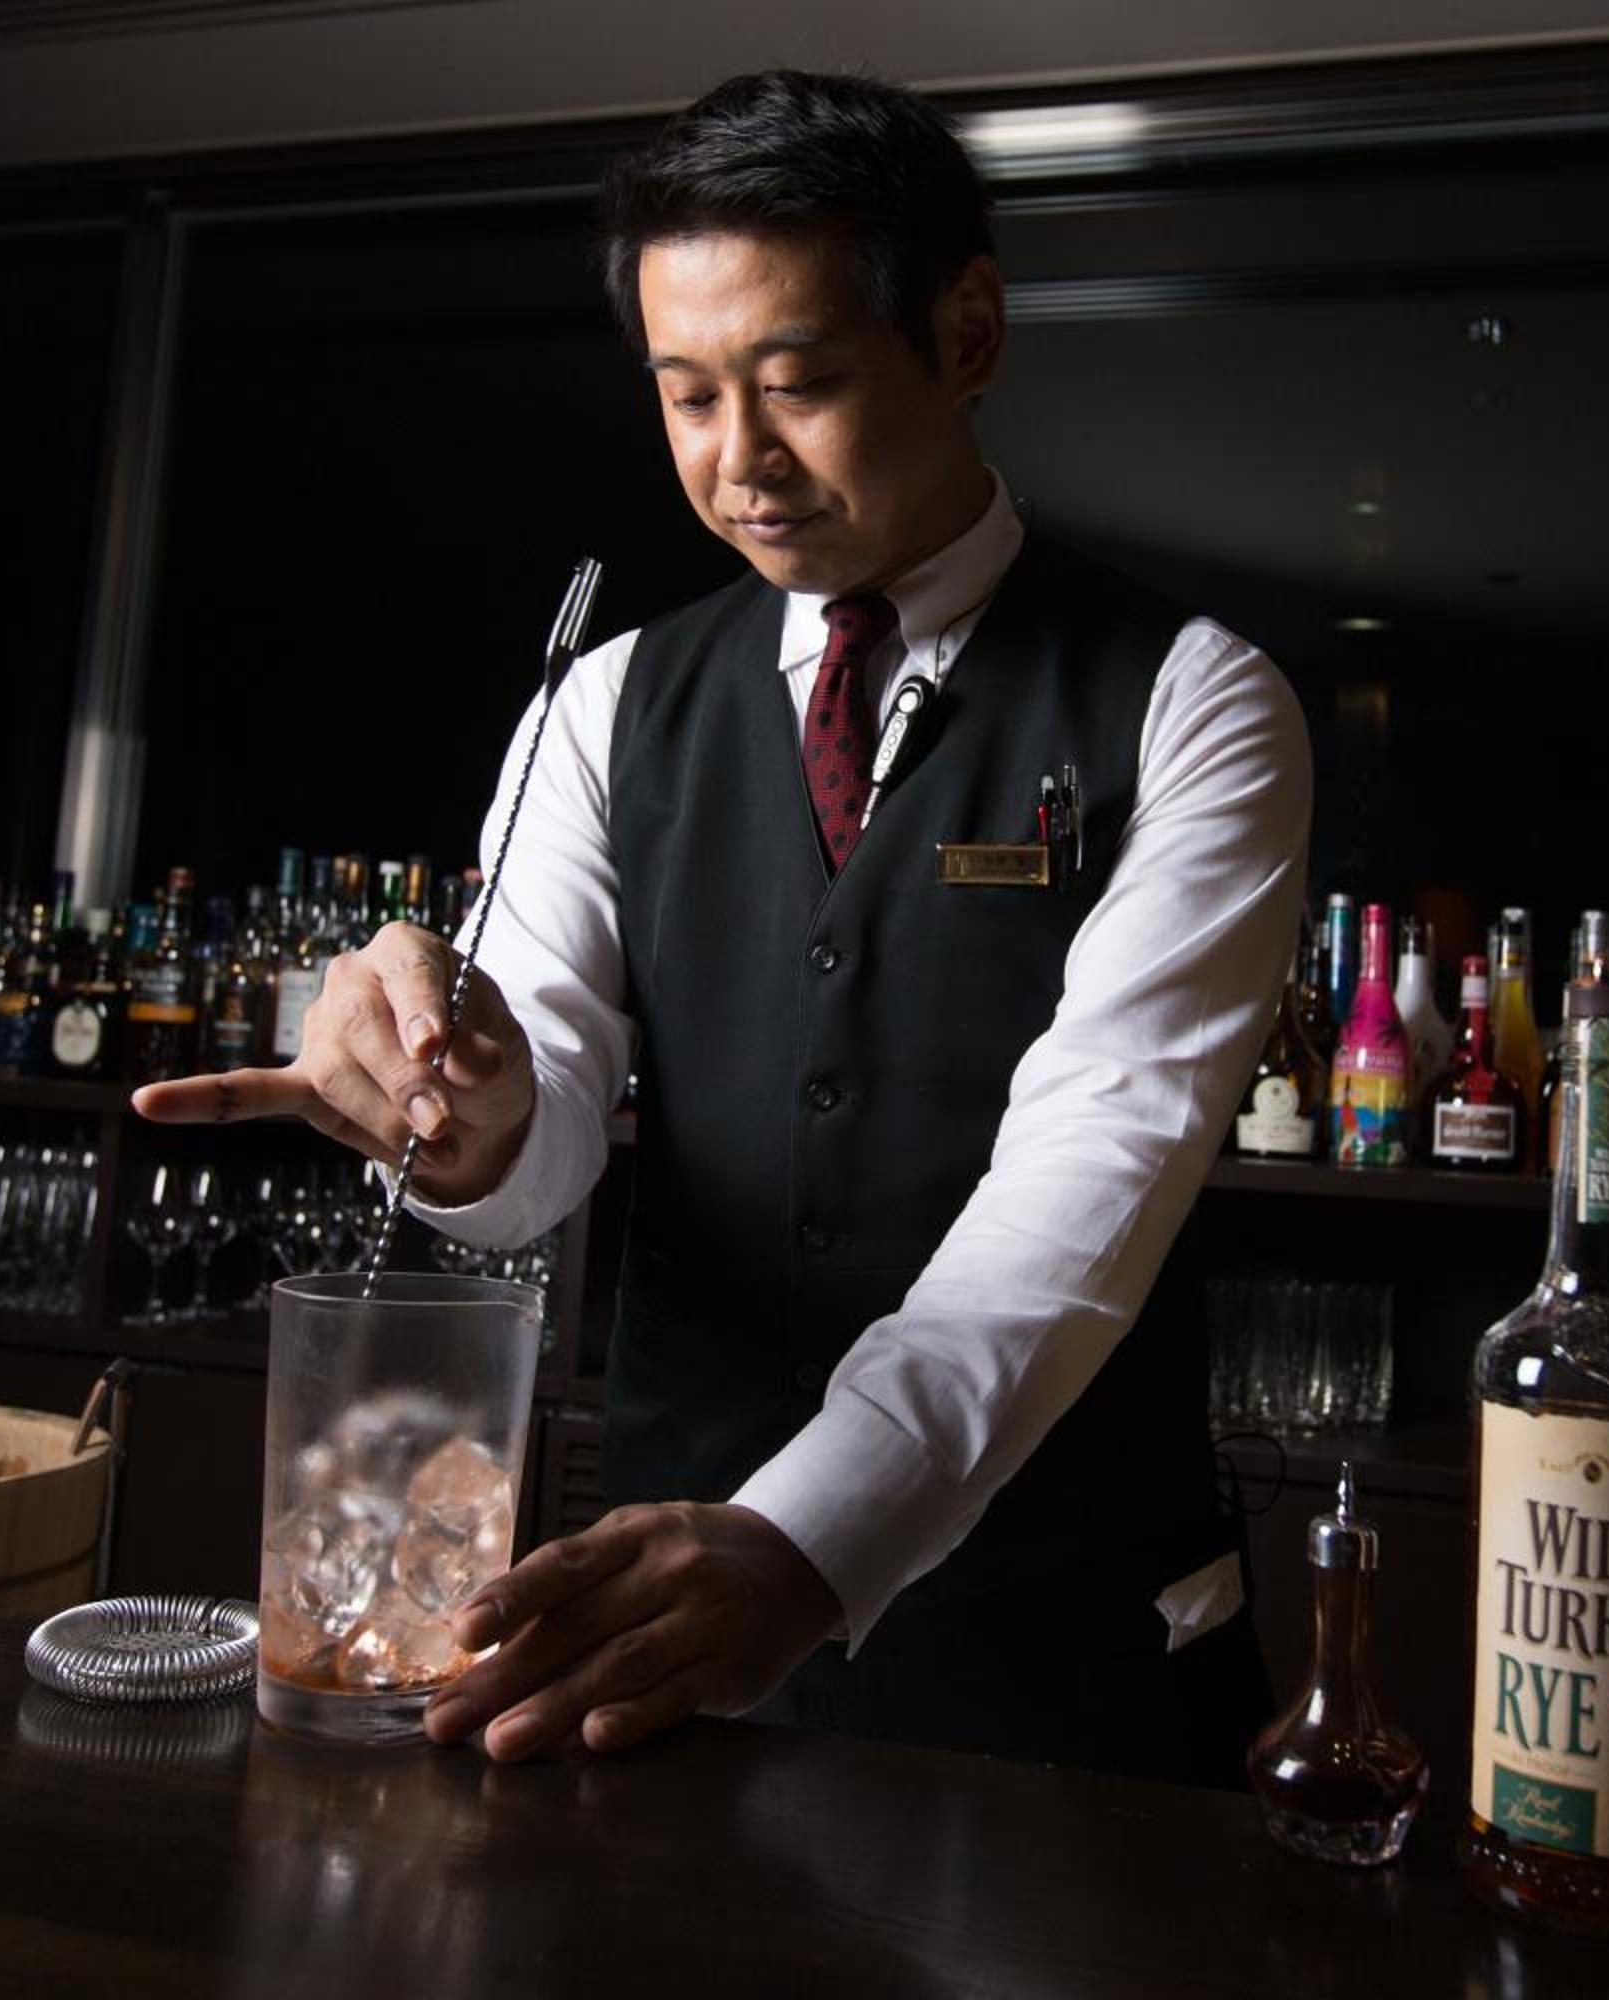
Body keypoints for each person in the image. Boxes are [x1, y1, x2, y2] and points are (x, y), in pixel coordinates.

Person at [136, 69, 1310, 1784]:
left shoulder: (1194, 703)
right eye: (686, 397)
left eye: (800, 385)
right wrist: (460, 1108)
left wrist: (802, 1544)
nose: (738, 463)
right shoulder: (605, 705)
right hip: (653, 1650)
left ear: (968, 333)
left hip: (1062, 1662)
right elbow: (533, 1135)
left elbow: (1095, 1173)